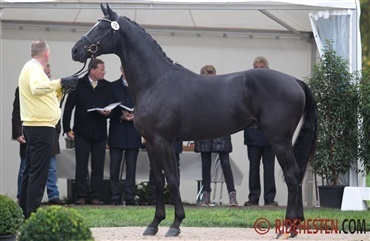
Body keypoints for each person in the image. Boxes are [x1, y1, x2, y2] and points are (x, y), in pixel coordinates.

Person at [18, 39, 78, 218]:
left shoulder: (31, 68)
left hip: (36, 127)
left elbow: (44, 96)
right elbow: (37, 88)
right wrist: (60, 81)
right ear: (46, 53)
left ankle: (24, 212)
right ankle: (32, 214)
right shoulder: (35, 69)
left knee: (31, 171)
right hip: (41, 128)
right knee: (38, 173)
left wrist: (62, 90)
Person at [12, 64, 65, 205]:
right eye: (45, 74)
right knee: (27, 168)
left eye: (49, 74)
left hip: (49, 132)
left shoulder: (52, 88)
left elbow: (55, 108)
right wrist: (17, 133)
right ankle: (23, 198)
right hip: (33, 132)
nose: (48, 76)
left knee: (51, 168)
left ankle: (53, 195)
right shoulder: (24, 89)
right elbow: (17, 113)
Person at [63, 58, 113, 205]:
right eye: (101, 69)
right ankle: (81, 195)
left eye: (104, 69)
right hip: (82, 131)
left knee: (98, 165)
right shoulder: (78, 84)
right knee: (81, 164)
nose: (104, 72)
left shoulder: (107, 86)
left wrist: (108, 112)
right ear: (92, 70)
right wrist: (67, 128)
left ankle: (96, 195)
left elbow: (111, 107)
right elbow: (69, 107)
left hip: (99, 132)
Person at [195, 65, 238, 206]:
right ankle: (206, 194)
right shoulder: (197, 93)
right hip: (204, 130)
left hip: (221, 129)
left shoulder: (223, 91)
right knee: (205, 163)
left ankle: (232, 194)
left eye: (211, 77)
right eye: (206, 77)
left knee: (225, 163)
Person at [244, 56, 278, 206]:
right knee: (253, 167)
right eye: (256, 68)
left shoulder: (274, 89)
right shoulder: (247, 90)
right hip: (252, 133)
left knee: (269, 167)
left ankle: (269, 198)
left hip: (269, 134)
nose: (258, 71)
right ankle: (253, 198)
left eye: (261, 68)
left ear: (267, 69)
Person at [108, 66, 142, 206]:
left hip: (133, 131)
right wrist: (120, 114)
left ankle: (130, 196)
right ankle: (115, 196)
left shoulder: (138, 86)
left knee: (131, 167)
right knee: (115, 166)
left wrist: (135, 115)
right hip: (118, 130)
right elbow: (108, 106)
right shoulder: (112, 86)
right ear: (122, 70)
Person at [147, 140, 182, 205]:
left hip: (173, 143)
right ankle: (154, 197)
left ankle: (174, 198)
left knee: (174, 168)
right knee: (155, 168)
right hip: (157, 143)